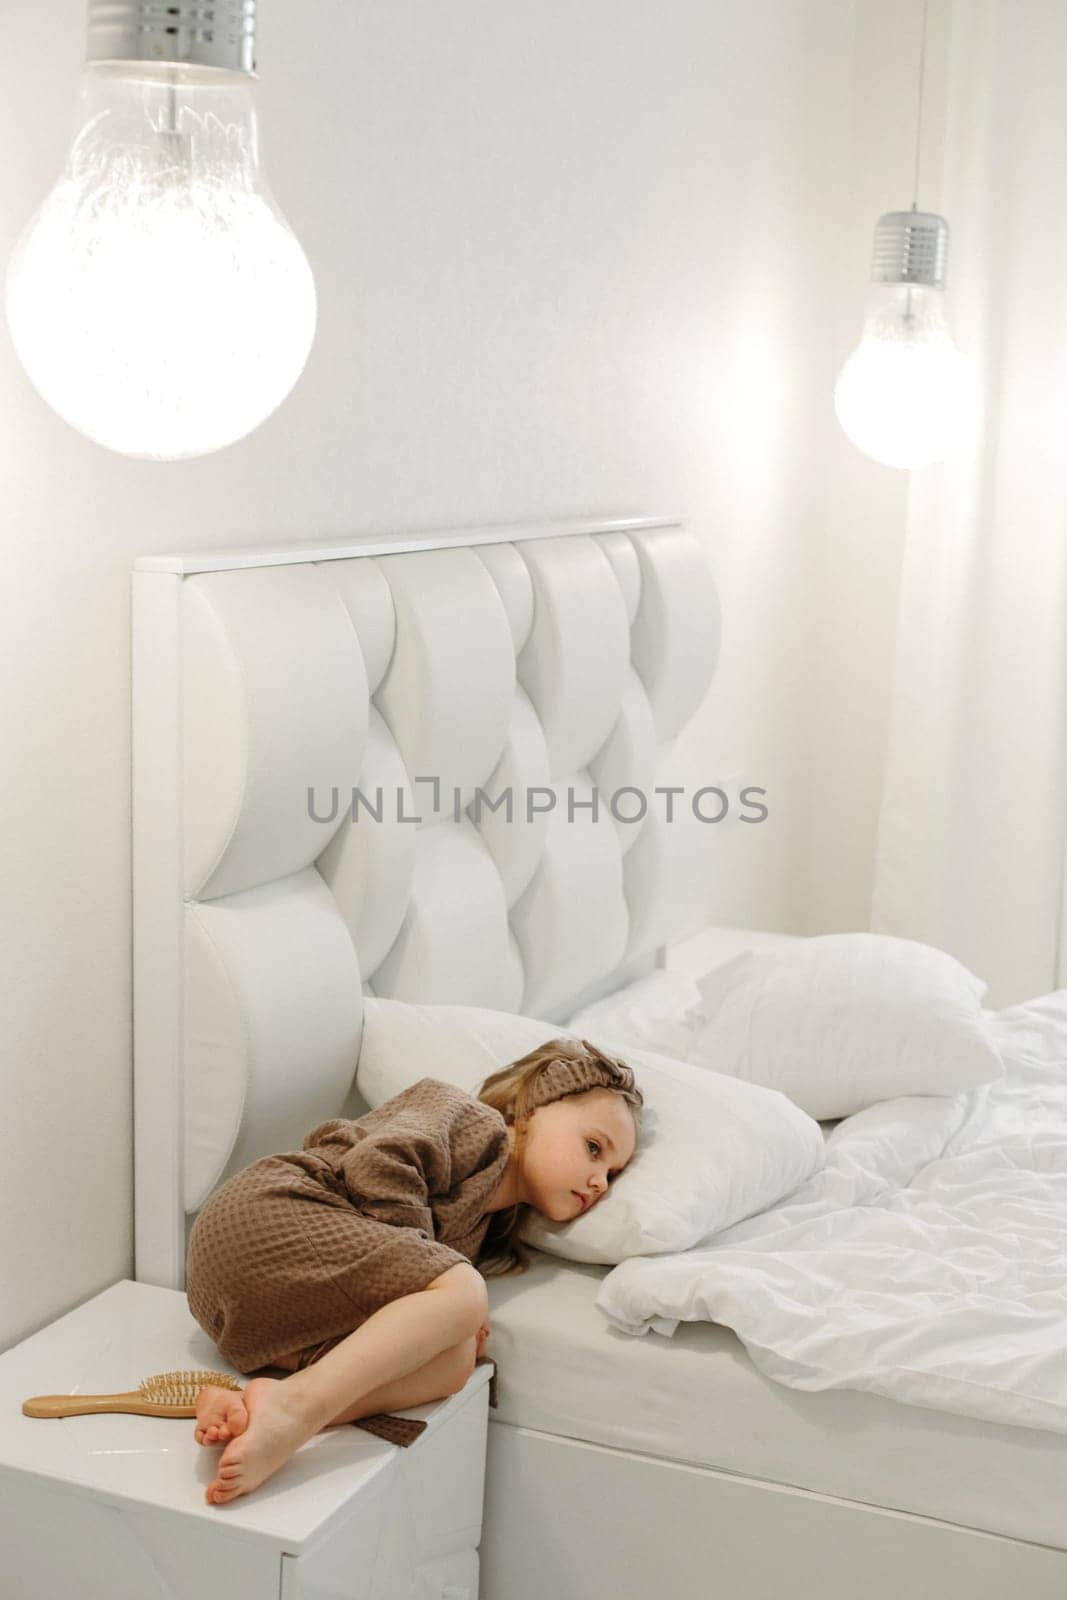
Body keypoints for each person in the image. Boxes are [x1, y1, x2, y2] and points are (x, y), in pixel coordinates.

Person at [185, 1036, 642, 1507]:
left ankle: (256, 1404)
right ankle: (296, 1410)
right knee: (465, 1293)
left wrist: (442, 1318)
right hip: (268, 1217)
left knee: (455, 1360)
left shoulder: (485, 1224)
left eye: (612, 1174)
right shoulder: (471, 1122)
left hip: (254, 1313)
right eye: (593, 1148)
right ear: (530, 1111)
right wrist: (443, 1284)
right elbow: (378, 1164)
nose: (598, 1182)